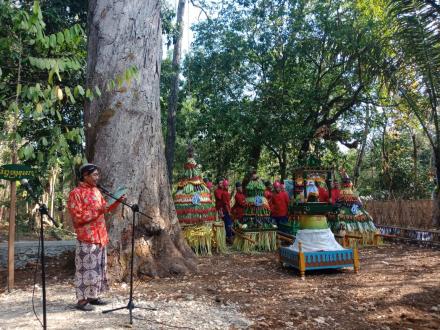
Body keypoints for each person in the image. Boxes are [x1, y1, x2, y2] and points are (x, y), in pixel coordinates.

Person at [67, 163, 123, 311]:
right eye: (94, 175)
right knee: (84, 269)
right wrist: (98, 211)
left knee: (97, 269)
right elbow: (77, 217)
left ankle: (93, 296)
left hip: (100, 236)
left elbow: (104, 209)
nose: (97, 178)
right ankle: (81, 301)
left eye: (98, 175)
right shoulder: (76, 193)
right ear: (85, 176)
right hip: (86, 237)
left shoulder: (96, 192)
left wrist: (117, 200)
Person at [221, 179, 234, 244]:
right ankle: (229, 238)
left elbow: (228, 203)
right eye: (226, 185)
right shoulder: (224, 193)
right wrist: (229, 212)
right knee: (228, 225)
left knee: (229, 224)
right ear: (223, 186)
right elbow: (225, 204)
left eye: (227, 185)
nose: (227, 186)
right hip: (226, 211)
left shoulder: (227, 193)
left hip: (228, 210)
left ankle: (229, 237)